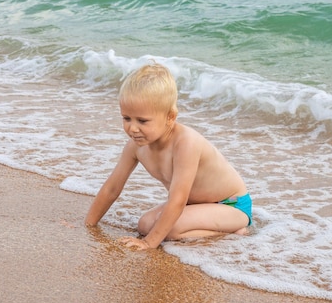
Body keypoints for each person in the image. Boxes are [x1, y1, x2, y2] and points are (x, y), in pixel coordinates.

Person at [85, 63, 252, 250]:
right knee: (145, 225)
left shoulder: (185, 143)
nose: (132, 128)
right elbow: (112, 188)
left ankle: (234, 229)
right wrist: (89, 224)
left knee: (169, 231)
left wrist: (149, 243)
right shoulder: (135, 147)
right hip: (196, 206)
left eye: (142, 121)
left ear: (170, 117)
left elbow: (178, 199)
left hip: (231, 205)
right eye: (126, 118)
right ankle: (210, 226)